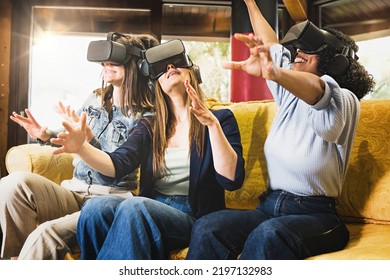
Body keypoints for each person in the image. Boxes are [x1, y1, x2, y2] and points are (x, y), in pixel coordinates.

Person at [186, 0, 375, 260]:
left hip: (316, 215)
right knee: (208, 227)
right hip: (269, 206)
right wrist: (250, 3)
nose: (297, 51)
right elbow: (271, 45)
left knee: (268, 234)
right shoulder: (288, 96)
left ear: (335, 63)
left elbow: (318, 90)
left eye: (309, 50)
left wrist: (275, 74)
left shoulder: (344, 99)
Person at [50, 39, 245, 259]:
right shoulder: (151, 125)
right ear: (156, 83)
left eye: (176, 63)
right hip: (152, 204)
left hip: (191, 215)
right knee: (96, 208)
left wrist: (211, 125)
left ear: (192, 71)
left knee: (135, 208)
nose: (170, 68)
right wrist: (82, 147)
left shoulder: (221, 119)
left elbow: (232, 180)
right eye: (162, 68)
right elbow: (118, 164)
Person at [0, 33, 159, 260]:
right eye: (104, 61)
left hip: (108, 200)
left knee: (45, 235)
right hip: (74, 190)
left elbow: (116, 169)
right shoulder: (96, 98)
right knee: (12, 185)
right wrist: (46, 135)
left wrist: (87, 143)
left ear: (137, 65)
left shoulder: (147, 117)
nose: (106, 65)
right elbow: (77, 137)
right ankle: (15, 261)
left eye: (114, 60)